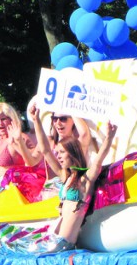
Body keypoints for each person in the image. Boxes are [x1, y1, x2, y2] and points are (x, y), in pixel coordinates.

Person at [29, 105, 118, 250]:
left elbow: (98, 161)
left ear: (72, 153)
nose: (57, 156)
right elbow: (45, 150)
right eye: (57, 152)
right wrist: (36, 120)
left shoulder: (85, 180)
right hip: (54, 240)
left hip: (64, 244)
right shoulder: (65, 176)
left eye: (61, 153)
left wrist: (109, 137)